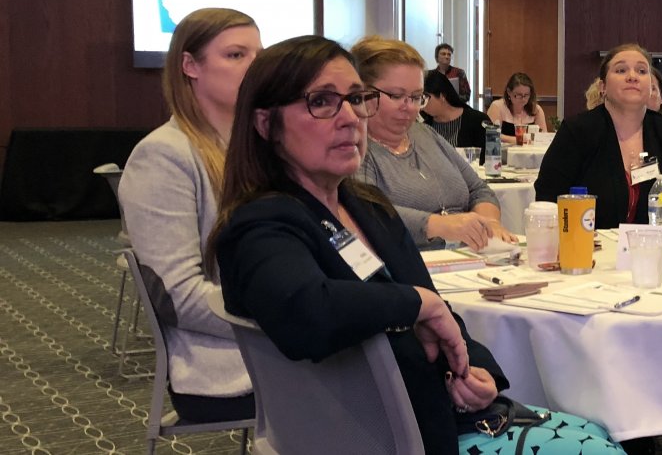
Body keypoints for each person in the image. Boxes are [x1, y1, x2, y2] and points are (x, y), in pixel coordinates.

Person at [212, 35, 621, 455]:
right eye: (321, 102)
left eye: (356, 99)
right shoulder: (261, 226)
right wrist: (416, 304)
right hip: (387, 439)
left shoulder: (367, 207)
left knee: (602, 432)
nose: (350, 118)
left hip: (444, 416)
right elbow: (307, 312)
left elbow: (439, 310)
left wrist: (479, 372)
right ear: (266, 124)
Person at [119, 8, 261, 423]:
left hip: (279, 342)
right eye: (236, 55)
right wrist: (284, 317)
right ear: (190, 66)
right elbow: (179, 298)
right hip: (228, 365)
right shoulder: (165, 154)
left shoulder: (260, 146)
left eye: (260, 54)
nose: (255, 67)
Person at [352, 36, 513, 251]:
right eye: (397, 96)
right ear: (362, 93)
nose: (410, 107)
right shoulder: (355, 148)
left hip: (467, 256)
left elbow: (478, 189)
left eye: (417, 97)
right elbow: (366, 213)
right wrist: (440, 225)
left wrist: (490, 223)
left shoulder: (425, 134)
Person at [536, 44, 662, 229]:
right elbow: (547, 198)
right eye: (621, 70)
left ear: (651, 86)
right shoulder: (577, 131)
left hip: (660, 244)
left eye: (641, 71)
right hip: (588, 244)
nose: (632, 76)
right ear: (603, 87)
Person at [420, 71, 493, 149]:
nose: (421, 106)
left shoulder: (479, 121)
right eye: (418, 99)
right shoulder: (424, 126)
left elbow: (493, 153)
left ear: (442, 96)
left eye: (424, 98)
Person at [486, 72, 547, 144]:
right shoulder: (497, 106)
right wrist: (519, 140)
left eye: (526, 95)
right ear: (509, 92)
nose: (523, 99)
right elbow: (491, 134)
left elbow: (544, 136)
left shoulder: (536, 109)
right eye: (518, 95)